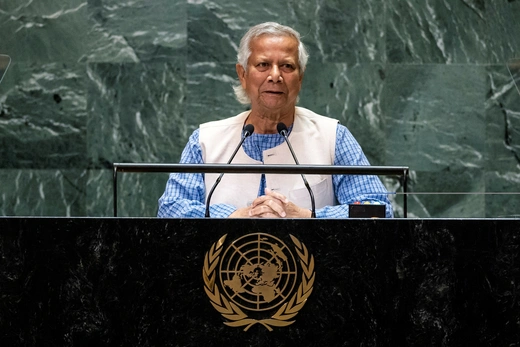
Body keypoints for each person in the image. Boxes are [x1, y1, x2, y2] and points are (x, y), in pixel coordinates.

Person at [158, 22, 393, 218]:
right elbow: (170, 209)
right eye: (263, 65)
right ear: (243, 74)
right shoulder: (206, 140)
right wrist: (233, 216)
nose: (275, 76)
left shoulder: (333, 137)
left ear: (300, 78)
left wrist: (308, 217)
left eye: (287, 66)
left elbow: (377, 210)